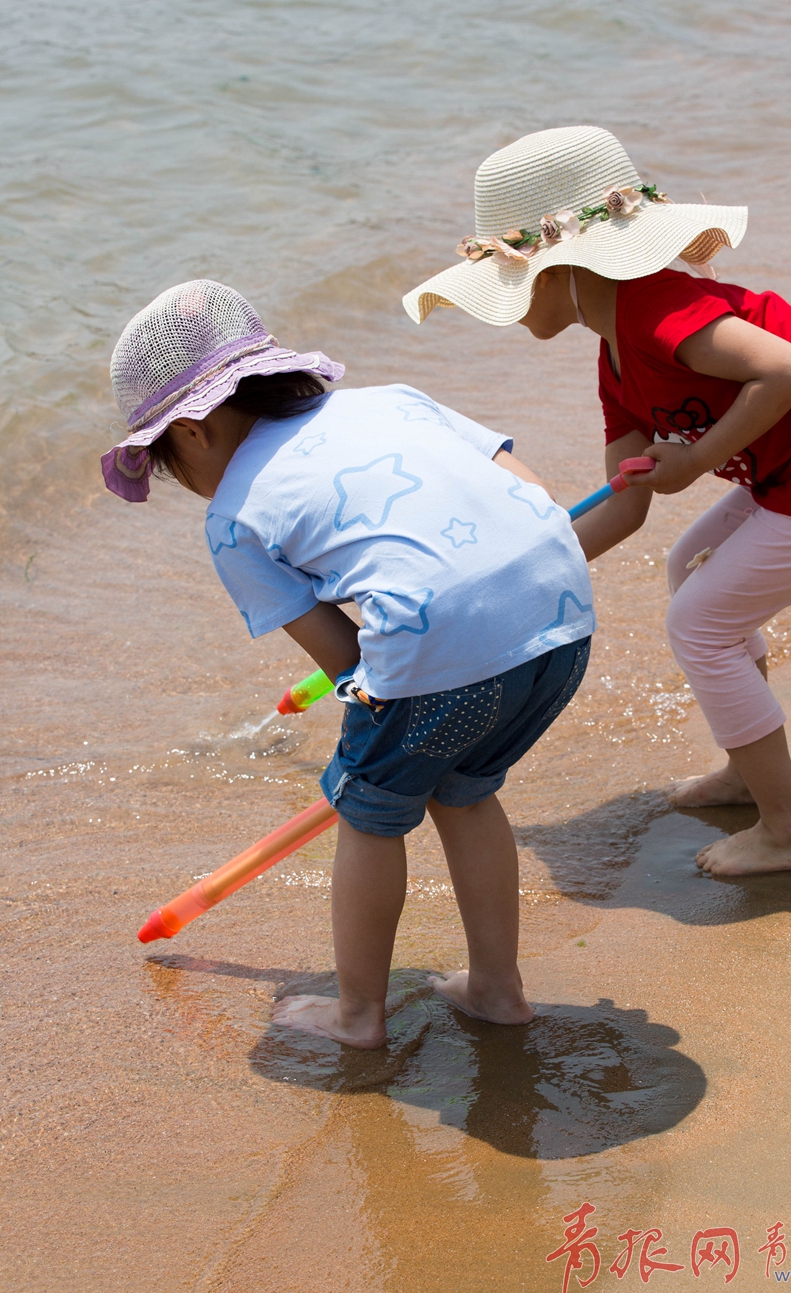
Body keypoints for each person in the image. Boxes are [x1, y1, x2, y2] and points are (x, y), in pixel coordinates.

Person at [403, 126, 791, 879]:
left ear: (557, 268)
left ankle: (788, 831)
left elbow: (787, 369)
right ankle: (748, 774)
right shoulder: (614, 357)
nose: (498, 308)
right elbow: (623, 504)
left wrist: (697, 458)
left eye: (508, 280)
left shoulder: (654, 307)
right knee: (688, 569)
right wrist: (511, 576)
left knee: (699, 622)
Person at [101, 279, 594, 1048]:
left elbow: (340, 657)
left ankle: (358, 1013)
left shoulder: (232, 519)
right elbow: (534, 494)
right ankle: (497, 989)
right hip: (562, 617)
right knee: (465, 793)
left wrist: (376, 745)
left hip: (451, 648)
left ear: (191, 432)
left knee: (368, 813)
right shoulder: (392, 400)